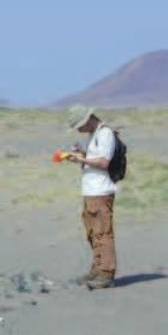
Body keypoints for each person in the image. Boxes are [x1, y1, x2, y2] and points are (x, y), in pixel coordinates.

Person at [64, 105, 119, 289]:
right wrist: (81, 156)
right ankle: (96, 269)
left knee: (103, 233)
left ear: (88, 120)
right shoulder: (93, 136)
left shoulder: (105, 134)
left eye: (79, 125)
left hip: (101, 192)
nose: (79, 130)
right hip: (90, 191)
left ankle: (107, 273)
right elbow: (93, 163)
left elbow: (104, 162)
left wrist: (81, 159)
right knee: (93, 233)